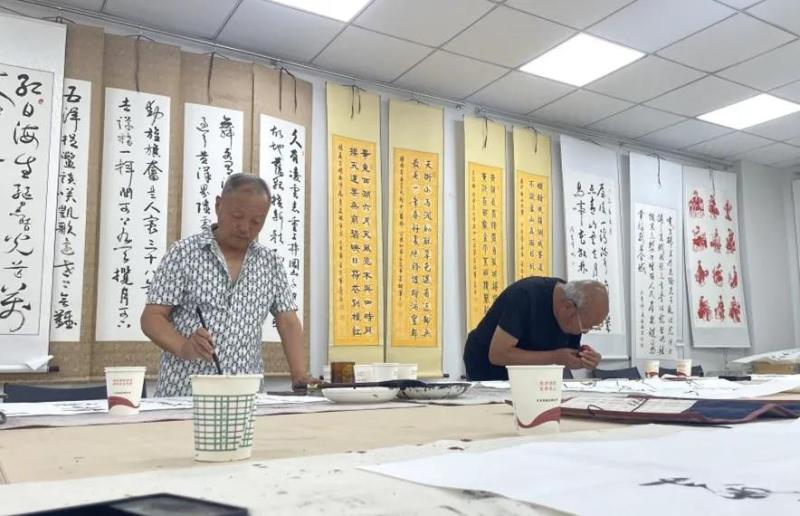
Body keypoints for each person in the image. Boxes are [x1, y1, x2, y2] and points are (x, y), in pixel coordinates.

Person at [141, 173, 316, 396]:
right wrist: (184, 346)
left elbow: (288, 321)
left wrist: (299, 374)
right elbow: (152, 318)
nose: (245, 228)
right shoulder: (184, 253)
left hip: (246, 396)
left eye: (256, 222)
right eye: (237, 216)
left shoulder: (270, 263)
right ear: (218, 206)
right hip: (185, 394)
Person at [463, 277, 608, 381]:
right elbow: (498, 354)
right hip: (487, 368)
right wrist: (555, 358)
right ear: (568, 307)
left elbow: (565, 353)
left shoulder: (574, 309)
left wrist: (584, 358)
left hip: (530, 374)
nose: (585, 331)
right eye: (585, 326)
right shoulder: (525, 297)